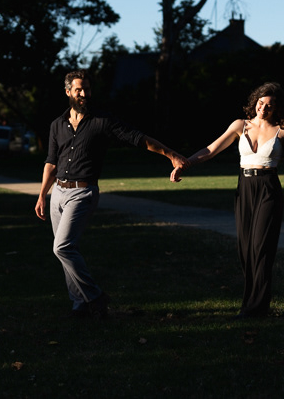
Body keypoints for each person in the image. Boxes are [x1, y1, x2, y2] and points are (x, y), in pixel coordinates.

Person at [35, 70, 188, 319]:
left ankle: (95, 297)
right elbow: (51, 162)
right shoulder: (57, 124)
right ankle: (79, 305)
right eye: (78, 89)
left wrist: (170, 154)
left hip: (82, 192)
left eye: (87, 89)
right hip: (58, 193)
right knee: (68, 252)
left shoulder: (102, 121)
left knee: (62, 247)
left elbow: (138, 138)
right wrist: (43, 194)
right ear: (68, 92)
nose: (84, 94)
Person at [171, 82, 284, 319]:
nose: (263, 108)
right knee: (246, 249)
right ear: (255, 102)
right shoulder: (240, 125)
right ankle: (250, 304)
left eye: (269, 106)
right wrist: (184, 164)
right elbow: (211, 149)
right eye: (261, 103)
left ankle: (256, 308)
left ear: (277, 108)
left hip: (269, 188)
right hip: (245, 187)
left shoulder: (283, 131)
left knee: (261, 247)